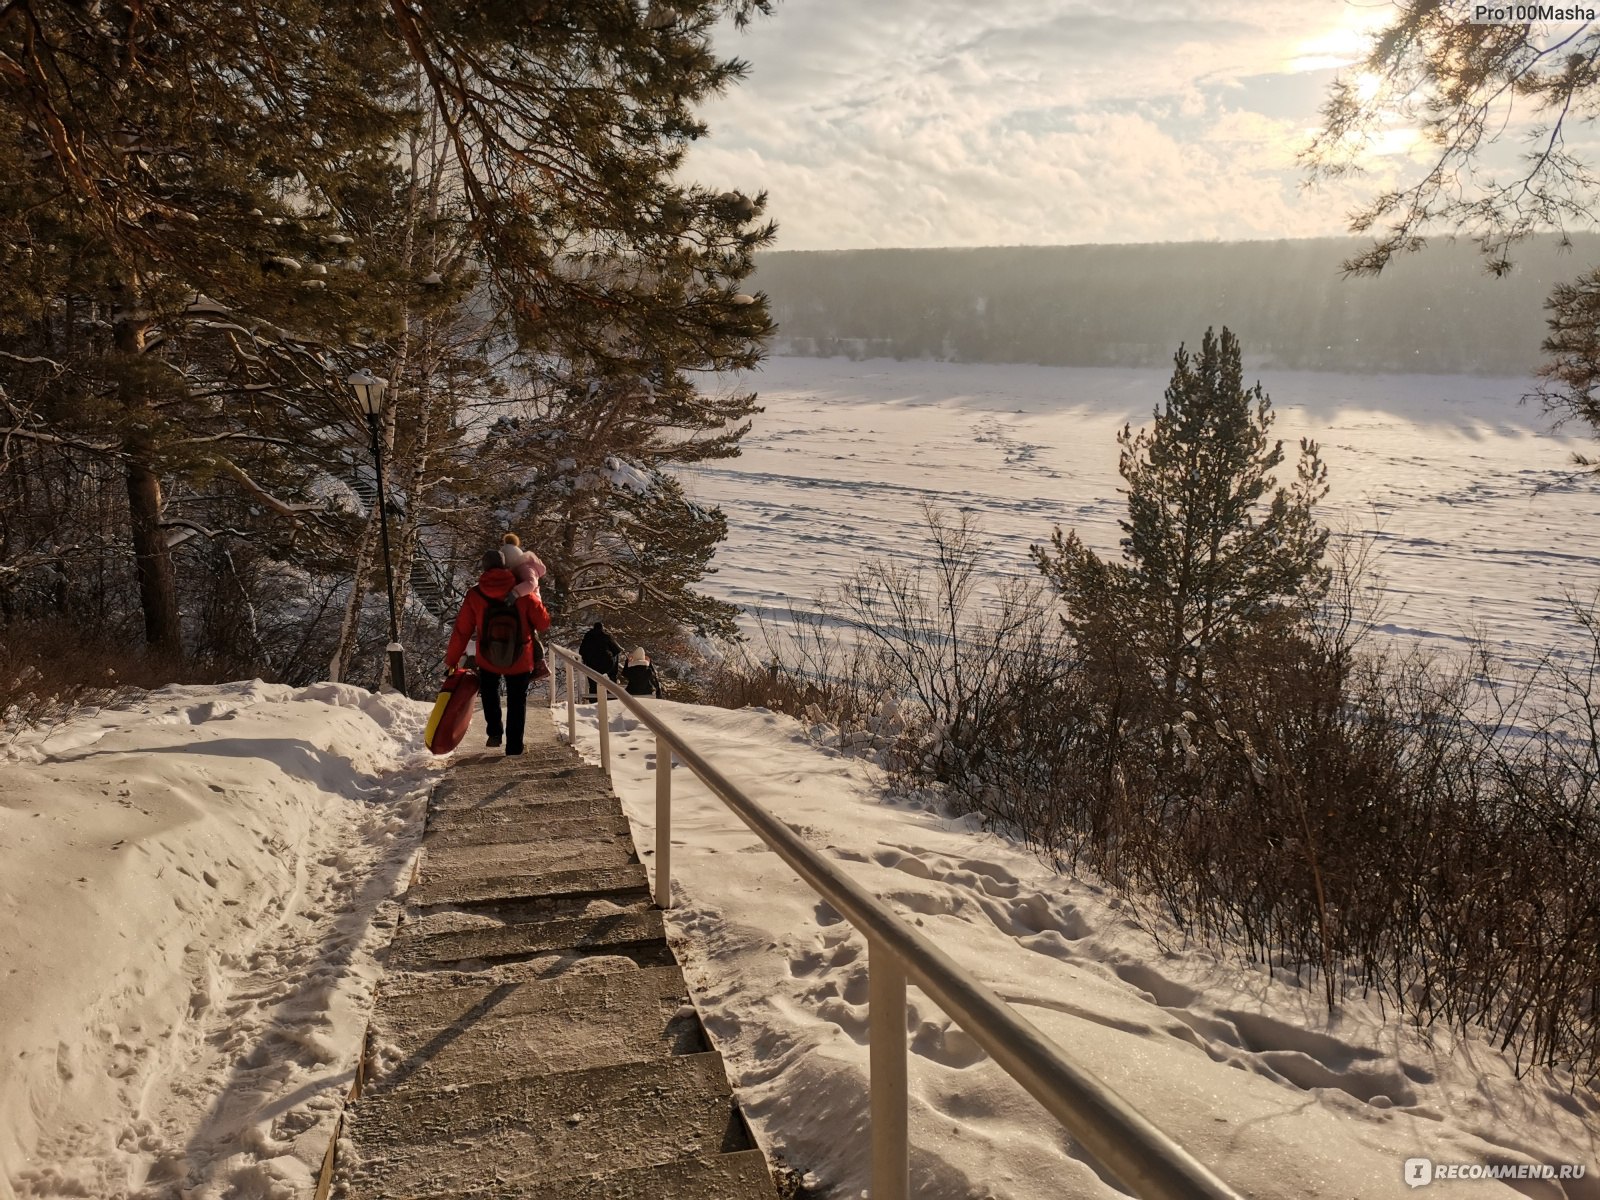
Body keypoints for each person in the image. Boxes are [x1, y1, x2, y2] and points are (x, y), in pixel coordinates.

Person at [445, 549, 552, 755]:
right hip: (520, 657)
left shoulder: (475, 595)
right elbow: (544, 623)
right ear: (505, 566)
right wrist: (535, 597)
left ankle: (494, 732)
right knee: (516, 702)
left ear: (484, 568)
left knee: (490, 693)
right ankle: (514, 747)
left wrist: (452, 659)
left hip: (487, 656)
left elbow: (462, 630)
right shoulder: (523, 592)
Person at [499, 533, 550, 680]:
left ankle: (540, 663)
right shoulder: (521, 567)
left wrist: (514, 593)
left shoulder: (525, 567)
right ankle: (535, 661)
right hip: (526, 602)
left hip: (532, 603)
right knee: (527, 631)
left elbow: (531, 584)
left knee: (531, 632)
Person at [578, 620, 623, 700]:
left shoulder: (588, 637)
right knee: (614, 659)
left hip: (591, 664)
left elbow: (581, 651)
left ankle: (593, 697)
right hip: (607, 664)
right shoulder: (606, 636)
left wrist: (586, 658)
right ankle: (612, 684)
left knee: (592, 679)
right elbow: (617, 650)